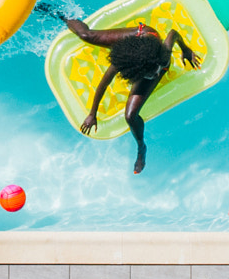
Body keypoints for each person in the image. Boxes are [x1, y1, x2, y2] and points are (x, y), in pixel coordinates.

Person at [62, 16, 201, 175]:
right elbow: (103, 84)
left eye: (155, 71)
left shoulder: (162, 57)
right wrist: (93, 114)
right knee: (86, 36)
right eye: (150, 74)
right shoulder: (121, 64)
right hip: (136, 47)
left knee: (130, 116)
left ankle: (141, 147)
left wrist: (185, 49)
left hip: (148, 43)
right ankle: (62, 16)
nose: (156, 74)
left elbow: (173, 33)